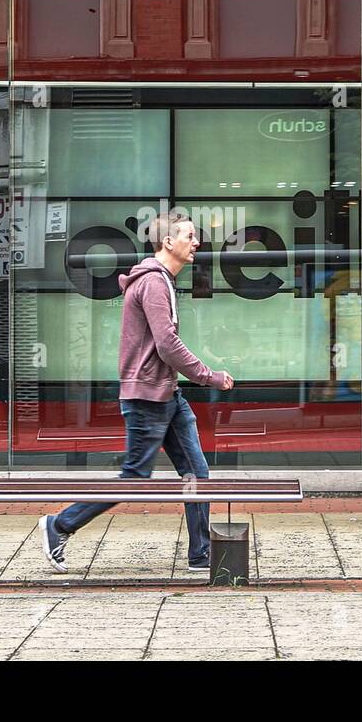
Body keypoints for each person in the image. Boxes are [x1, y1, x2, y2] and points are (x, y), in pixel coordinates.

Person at [39, 210, 234, 573]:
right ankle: (60, 524)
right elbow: (167, 345)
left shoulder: (159, 280)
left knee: (196, 473)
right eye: (189, 236)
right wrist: (210, 376)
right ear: (167, 242)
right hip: (147, 396)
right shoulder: (155, 283)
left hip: (165, 394)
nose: (197, 242)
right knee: (134, 476)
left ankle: (200, 554)